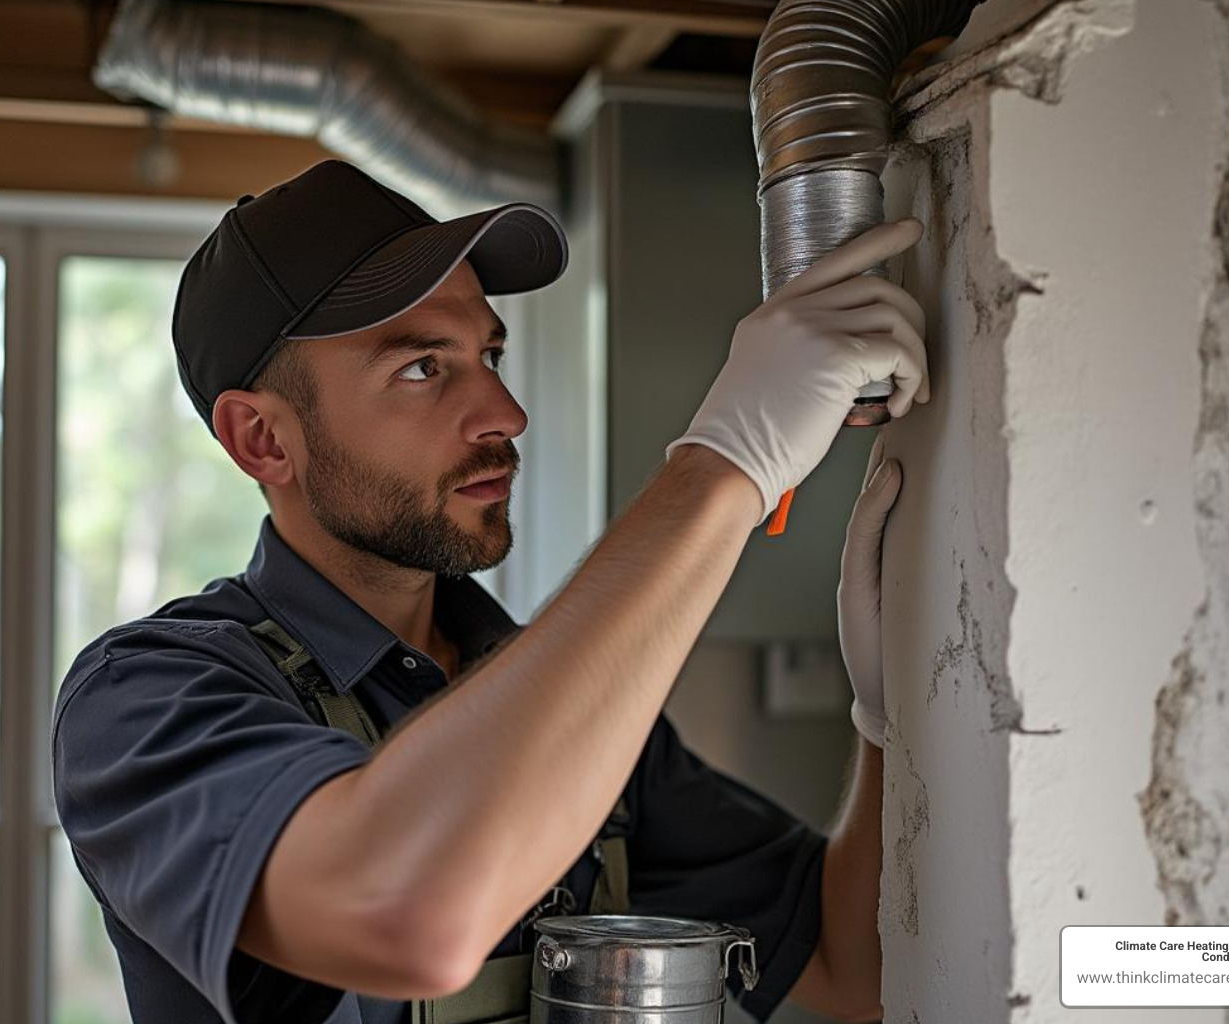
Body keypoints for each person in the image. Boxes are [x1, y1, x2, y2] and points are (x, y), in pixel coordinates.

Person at [52, 159, 928, 1024]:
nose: (505, 414)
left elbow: (857, 966)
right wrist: (723, 465)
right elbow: (409, 916)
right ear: (263, 441)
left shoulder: (551, 692)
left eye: (490, 354)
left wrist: (890, 713)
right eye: (421, 369)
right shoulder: (147, 699)